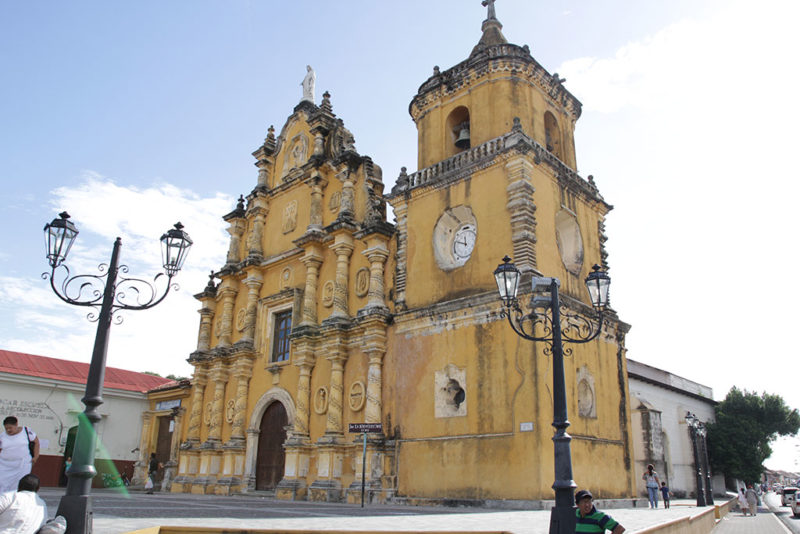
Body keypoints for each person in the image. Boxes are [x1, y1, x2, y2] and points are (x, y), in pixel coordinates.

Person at [0, 417, 39, 493]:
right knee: (2, 483)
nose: (8, 430)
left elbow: (36, 442)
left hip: (22, 464)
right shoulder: (2, 436)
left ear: (16, 425)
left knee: (19, 483)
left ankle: (15, 500)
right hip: (4, 465)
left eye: (10, 428)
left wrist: (36, 457)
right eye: (6, 428)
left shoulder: (26, 431)